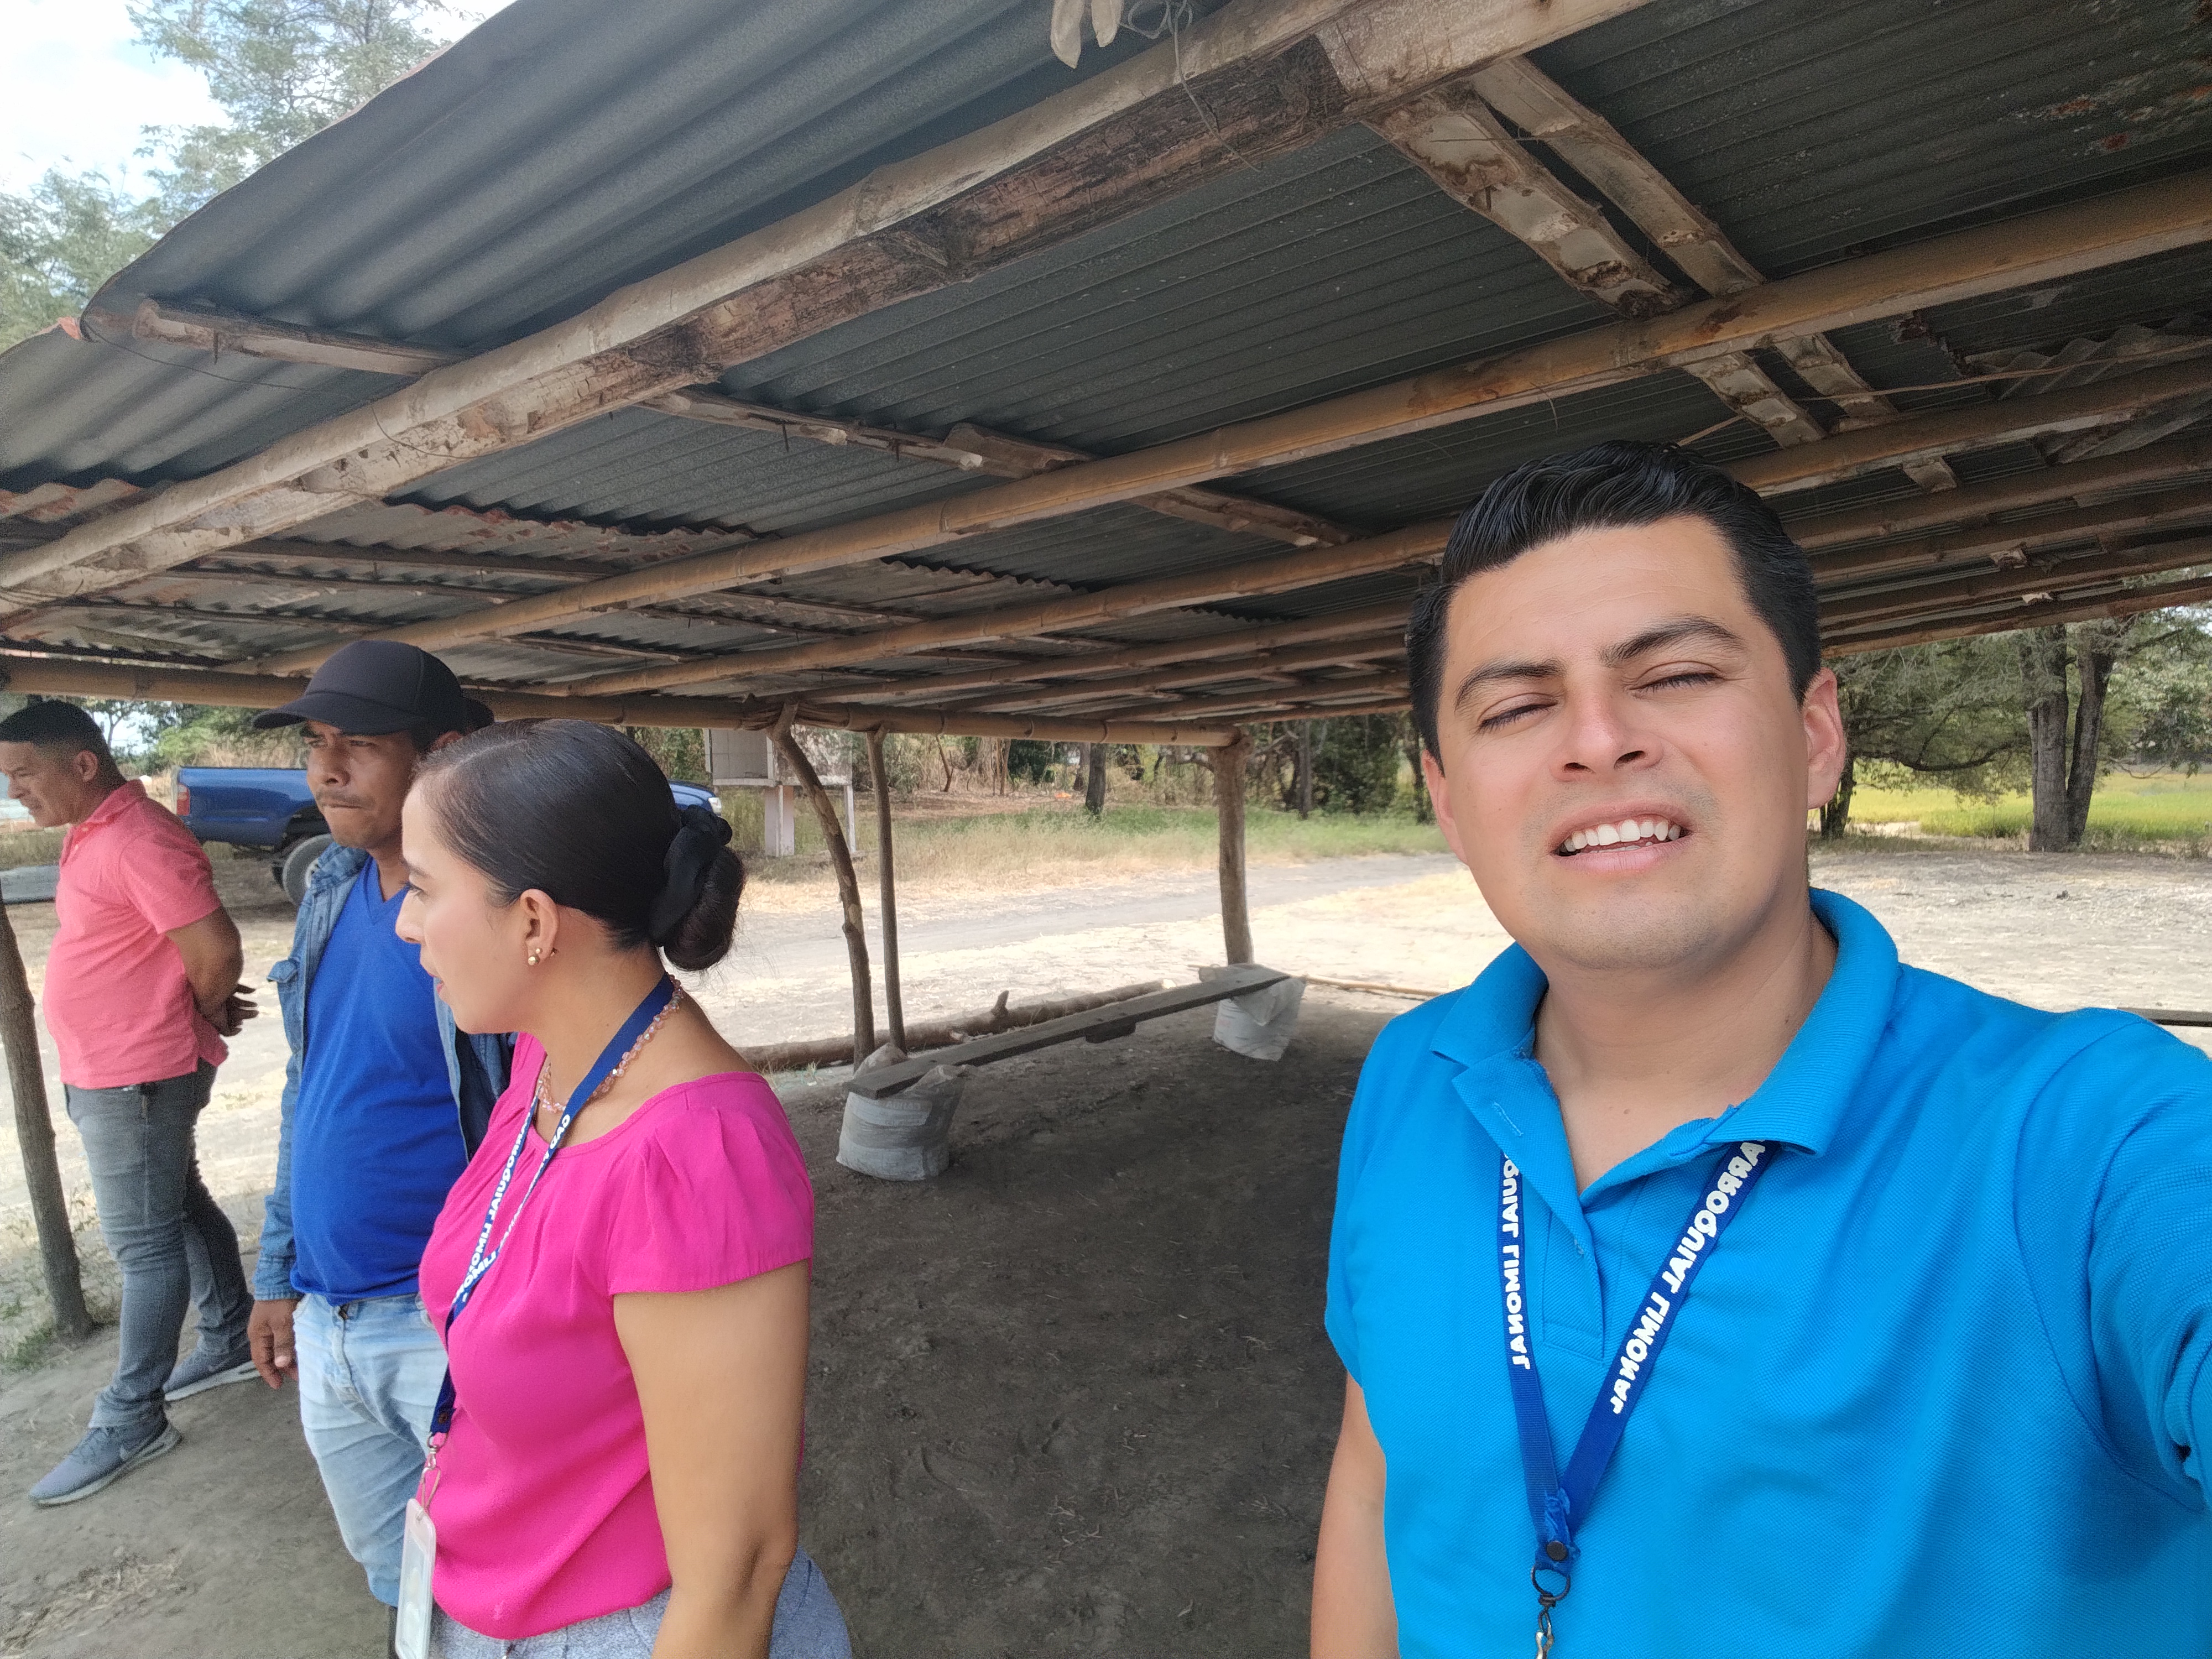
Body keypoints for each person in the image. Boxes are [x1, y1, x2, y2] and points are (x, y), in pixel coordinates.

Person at [1310, 441, 2212, 1658]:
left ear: (1815, 734)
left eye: (1676, 674)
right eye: (1517, 707)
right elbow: (1377, 1473)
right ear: (1448, 800)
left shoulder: (2092, 1138)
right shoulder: (1413, 1075)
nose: (1596, 739)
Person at [398, 719, 848, 1659]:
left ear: (533, 921)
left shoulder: (695, 1156)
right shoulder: (548, 1064)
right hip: (493, 1597)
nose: (404, 922)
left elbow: (736, 1571)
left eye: (425, 888)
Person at [243, 640, 509, 1617]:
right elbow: (307, 1089)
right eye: (316, 742)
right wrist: (280, 1273)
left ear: (440, 754)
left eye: (356, 742)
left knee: (501, 1574)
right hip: (330, 1318)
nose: (326, 768)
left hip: (445, 1316)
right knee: (399, 1581)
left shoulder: (490, 914)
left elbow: (543, 1123)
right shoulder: (329, 889)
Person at [1, 700, 257, 1505]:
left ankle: (132, 1416)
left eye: (24, 774)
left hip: (137, 1075)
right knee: (178, 1206)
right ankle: (229, 1335)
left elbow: (215, 949)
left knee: (144, 1249)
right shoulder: (93, 831)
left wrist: (202, 1013)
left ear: (82, 764)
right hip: (115, 1071)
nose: (15, 793)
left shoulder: (139, 838)